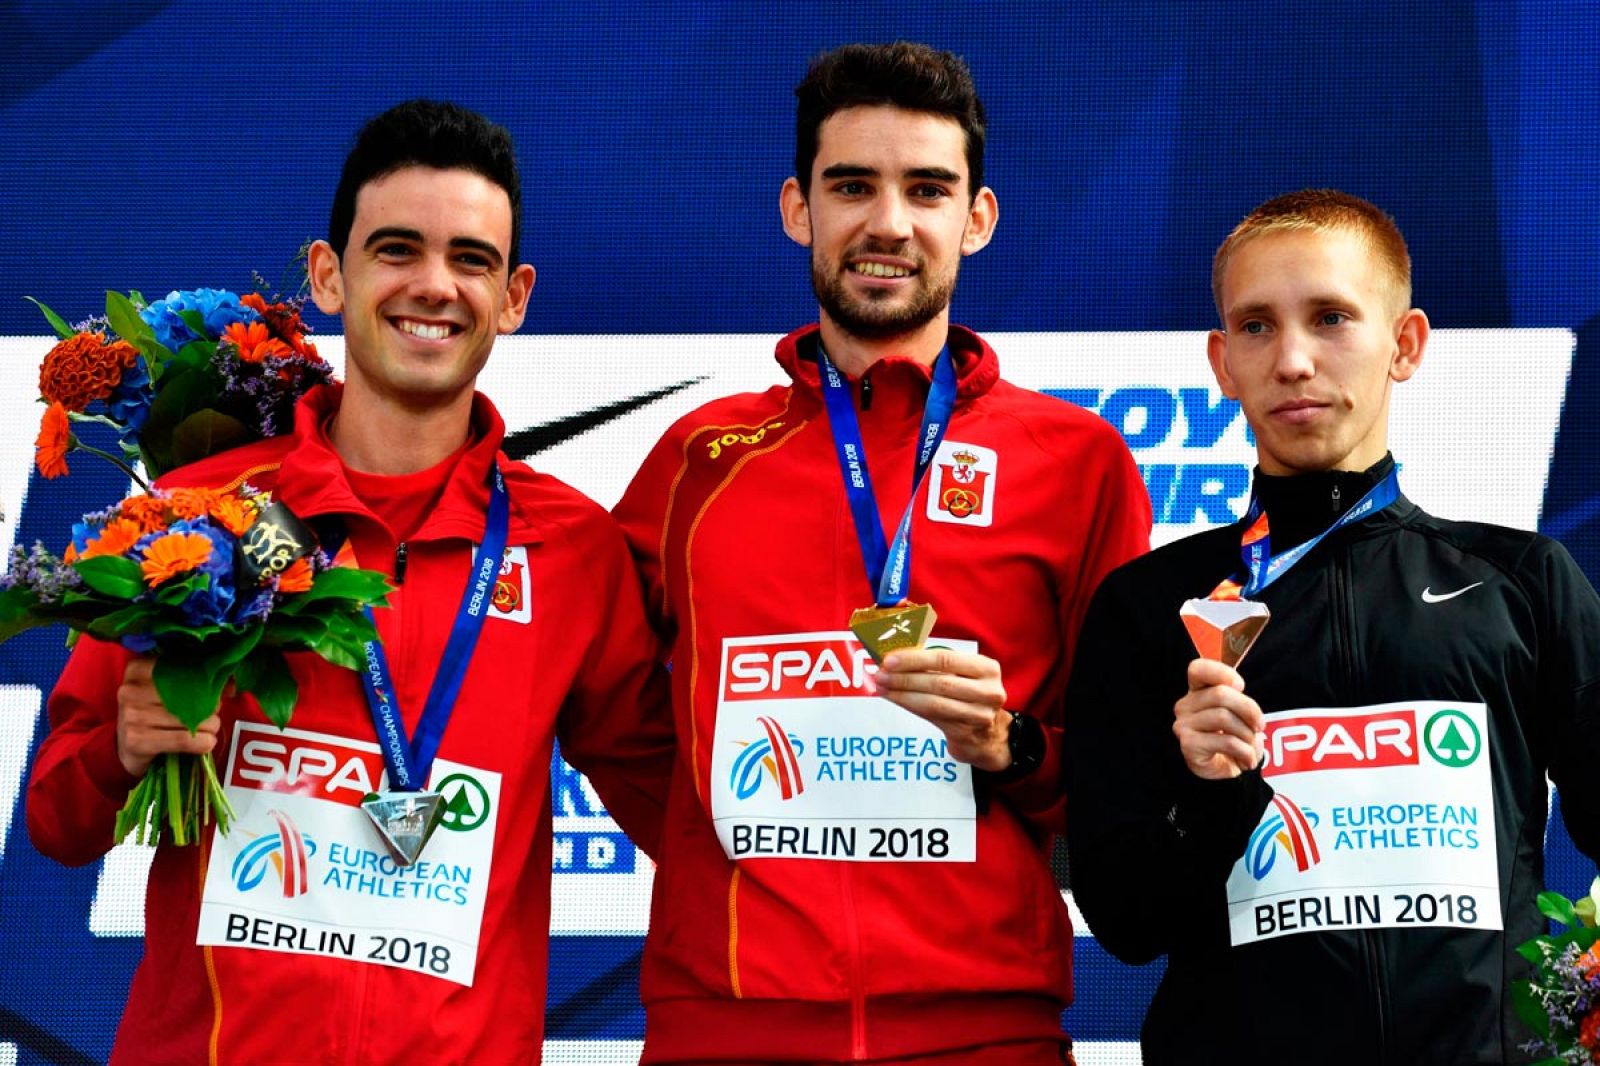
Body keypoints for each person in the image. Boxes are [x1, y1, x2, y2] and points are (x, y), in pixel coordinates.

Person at [26, 100, 674, 1064]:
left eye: (471, 260)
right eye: (397, 250)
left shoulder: (570, 549)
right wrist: (122, 749)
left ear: (514, 296)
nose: (434, 287)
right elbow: (55, 820)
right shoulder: (196, 513)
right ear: (329, 275)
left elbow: (691, 819)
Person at [612, 42, 1149, 1064]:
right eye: (851, 185)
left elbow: (1121, 766)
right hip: (725, 1029)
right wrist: (715, 837)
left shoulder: (1077, 463)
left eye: (928, 189)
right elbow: (602, 706)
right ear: (796, 207)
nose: (889, 223)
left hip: (984, 1032)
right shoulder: (695, 462)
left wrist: (1013, 748)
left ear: (975, 219)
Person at [1064, 188, 1600, 1065]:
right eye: (1257, 327)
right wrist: (1205, 791)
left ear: (1405, 343)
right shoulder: (1151, 606)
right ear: (1221, 360)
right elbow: (1124, 922)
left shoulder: (1521, 581)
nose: (1295, 360)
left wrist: (1570, 1009)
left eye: (1331, 318)